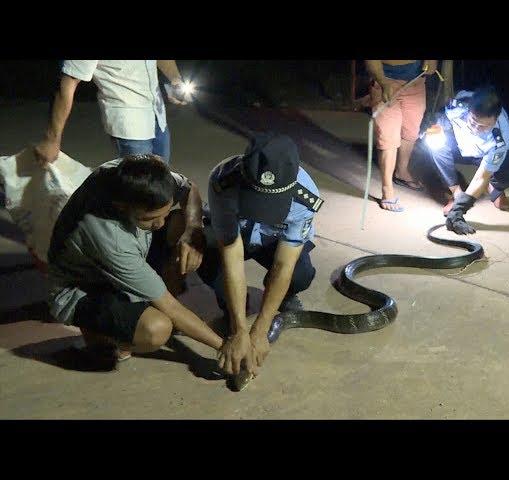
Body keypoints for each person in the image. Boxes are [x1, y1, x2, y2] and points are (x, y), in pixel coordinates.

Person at [47, 154, 226, 366]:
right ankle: (100, 336)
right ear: (121, 206)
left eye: (163, 212)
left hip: (129, 253)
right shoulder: (107, 235)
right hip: (83, 288)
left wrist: (193, 229)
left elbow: (189, 189)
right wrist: (224, 346)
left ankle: (143, 302)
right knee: (157, 329)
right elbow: (169, 306)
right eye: (148, 218)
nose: (159, 224)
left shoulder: (134, 172)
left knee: (181, 222)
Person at [197, 133, 322, 377]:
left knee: (299, 274)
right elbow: (232, 256)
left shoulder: (305, 198)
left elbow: (283, 266)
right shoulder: (223, 181)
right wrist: (240, 330)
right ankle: (232, 311)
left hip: (272, 243)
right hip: (236, 236)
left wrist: (260, 329)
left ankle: (284, 299)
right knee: (206, 255)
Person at [35, 60, 190, 166]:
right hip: (129, 124)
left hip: (157, 113)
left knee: (162, 183)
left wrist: (175, 80)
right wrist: (52, 139)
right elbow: (68, 83)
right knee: (139, 191)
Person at [424, 86, 509, 235]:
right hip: (461, 146)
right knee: (435, 143)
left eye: (483, 126)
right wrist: (433, 124)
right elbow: (439, 120)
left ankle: (495, 187)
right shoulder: (458, 106)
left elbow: (481, 177)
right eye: (473, 122)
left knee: (505, 171)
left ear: (495, 119)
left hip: (485, 153)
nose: (476, 128)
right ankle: (456, 193)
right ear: (469, 111)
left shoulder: (501, 139)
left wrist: (459, 210)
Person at [365, 59, 438, 212]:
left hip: (416, 81)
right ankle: (387, 189)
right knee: (388, 136)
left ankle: (402, 172)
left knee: (411, 130)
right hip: (385, 82)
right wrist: (383, 83)